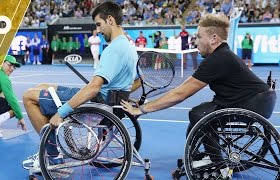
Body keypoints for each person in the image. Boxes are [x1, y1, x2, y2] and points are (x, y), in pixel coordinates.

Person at [121, 14, 276, 174]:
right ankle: (207, 157)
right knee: (202, 110)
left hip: (255, 103)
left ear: (213, 38)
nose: (195, 42)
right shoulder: (221, 56)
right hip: (258, 100)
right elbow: (181, 89)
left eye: (199, 37)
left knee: (199, 114)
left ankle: (219, 167)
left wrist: (142, 109)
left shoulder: (217, 59)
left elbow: (180, 94)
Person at [22, 1, 140, 169]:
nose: (98, 31)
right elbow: (133, 82)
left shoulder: (114, 49)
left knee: (29, 97)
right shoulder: (128, 47)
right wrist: (124, 98)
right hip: (106, 101)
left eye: (99, 24)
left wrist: (61, 113)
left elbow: (93, 88)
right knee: (43, 86)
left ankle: (53, 156)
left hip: (96, 103)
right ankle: (52, 141)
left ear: (111, 20)